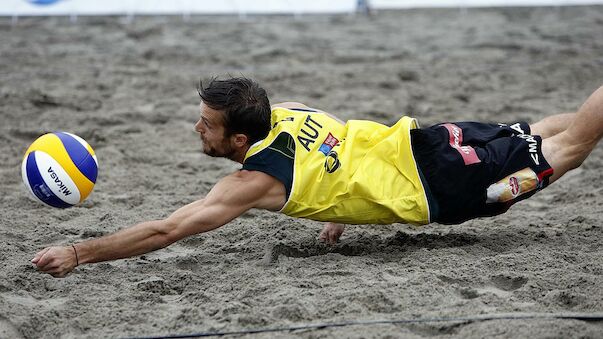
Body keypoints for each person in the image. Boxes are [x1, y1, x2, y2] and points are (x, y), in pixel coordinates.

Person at [32, 77, 602, 277]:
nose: (195, 129)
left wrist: (81, 252)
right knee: (535, 132)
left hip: (442, 186)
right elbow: (334, 149)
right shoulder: (276, 111)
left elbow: (166, 231)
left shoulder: (252, 182)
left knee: (570, 148)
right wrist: (336, 210)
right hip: (427, 138)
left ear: (238, 140)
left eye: (206, 124)